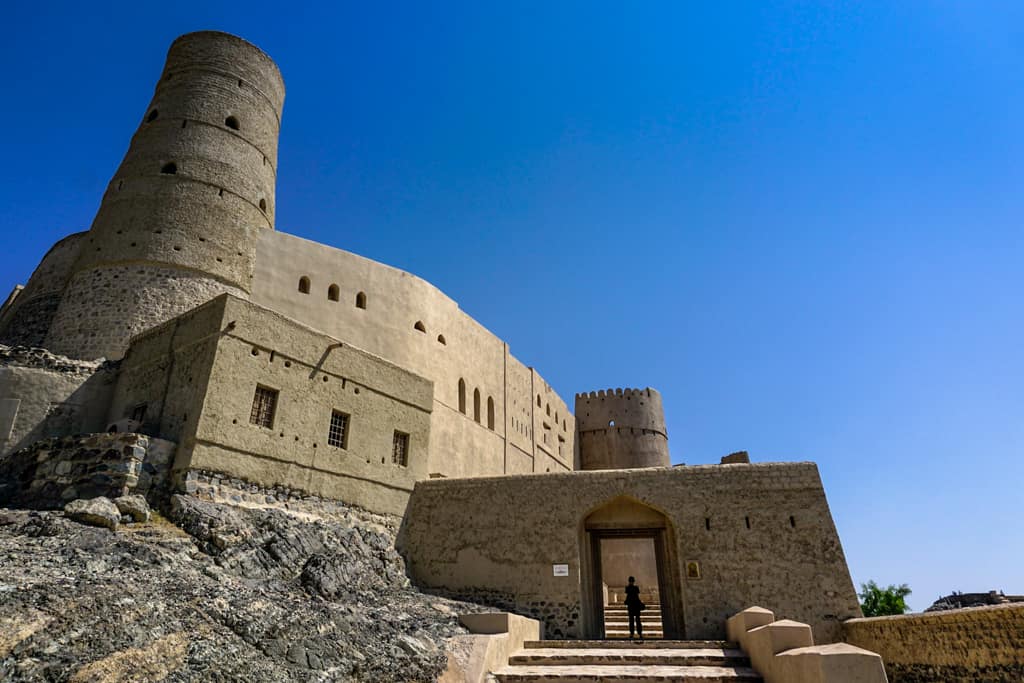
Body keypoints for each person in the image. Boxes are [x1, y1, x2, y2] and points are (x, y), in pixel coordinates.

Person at [623, 576, 644, 641]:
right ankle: (639, 633)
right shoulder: (635, 588)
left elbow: (628, 596)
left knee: (632, 621)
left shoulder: (628, 588)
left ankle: (632, 633)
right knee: (637, 620)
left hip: (631, 606)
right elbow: (637, 596)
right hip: (636, 606)